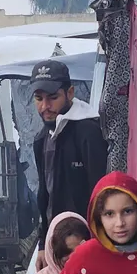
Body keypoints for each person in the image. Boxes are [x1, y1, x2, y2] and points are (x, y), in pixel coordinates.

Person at [30, 59, 107, 259]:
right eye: (39, 98)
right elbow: (44, 195)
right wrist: (41, 244)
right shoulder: (41, 138)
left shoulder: (88, 131)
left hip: (87, 242)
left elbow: (100, 193)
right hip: (57, 244)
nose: (45, 106)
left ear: (70, 93)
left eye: (53, 97)